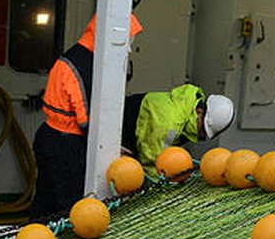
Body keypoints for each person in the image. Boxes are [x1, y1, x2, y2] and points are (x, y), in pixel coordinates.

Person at [30, 13, 144, 218]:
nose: (128, 47)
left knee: (47, 202)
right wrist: (109, 148)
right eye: (129, 40)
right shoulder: (84, 63)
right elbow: (85, 117)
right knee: (66, 206)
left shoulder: (79, 57)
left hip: (55, 138)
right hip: (63, 144)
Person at [120, 85, 234, 168]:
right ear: (199, 112)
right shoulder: (170, 125)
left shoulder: (185, 106)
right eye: (203, 128)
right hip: (118, 132)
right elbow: (153, 163)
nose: (202, 135)